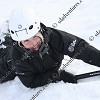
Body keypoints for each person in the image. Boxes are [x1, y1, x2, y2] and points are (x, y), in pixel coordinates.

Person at [0, 7, 100, 88]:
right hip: (5, 63)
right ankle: (4, 35)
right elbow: (30, 81)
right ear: (19, 42)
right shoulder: (17, 56)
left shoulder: (54, 37)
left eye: (35, 36)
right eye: (26, 40)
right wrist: (56, 76)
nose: (33, 43)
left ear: (40, 31)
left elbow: (79, 47)